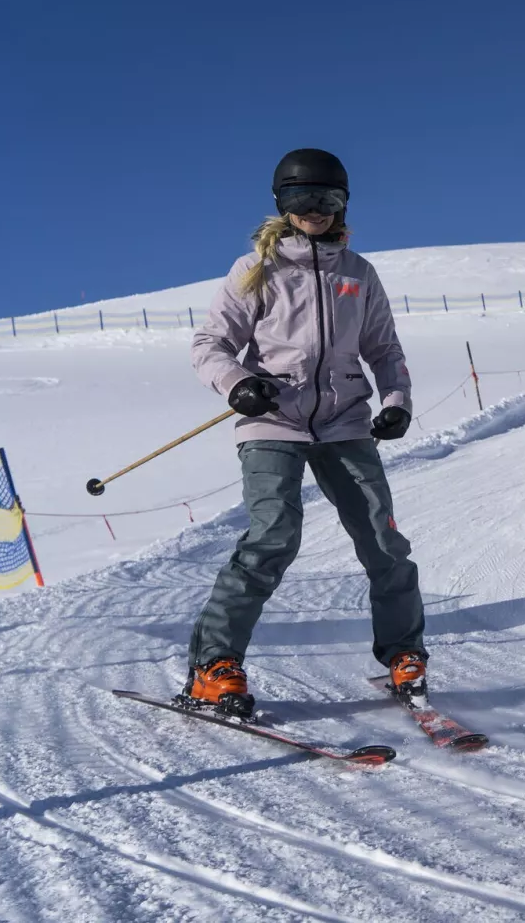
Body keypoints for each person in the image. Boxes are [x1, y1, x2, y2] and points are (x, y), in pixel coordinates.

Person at [182, 148, 426, 717]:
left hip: (344, 421)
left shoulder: (358, 274)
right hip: (273, 418)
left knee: (384, 542)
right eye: (300, 198)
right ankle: (213, 665)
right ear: (281, 205)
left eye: (327, 198)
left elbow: (384, 350)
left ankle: (404, 654)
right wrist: (238, 383)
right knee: (273, 537)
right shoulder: (256, 269)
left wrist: (396, 402)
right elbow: (209, 344)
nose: (314, 209)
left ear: (344, 204)